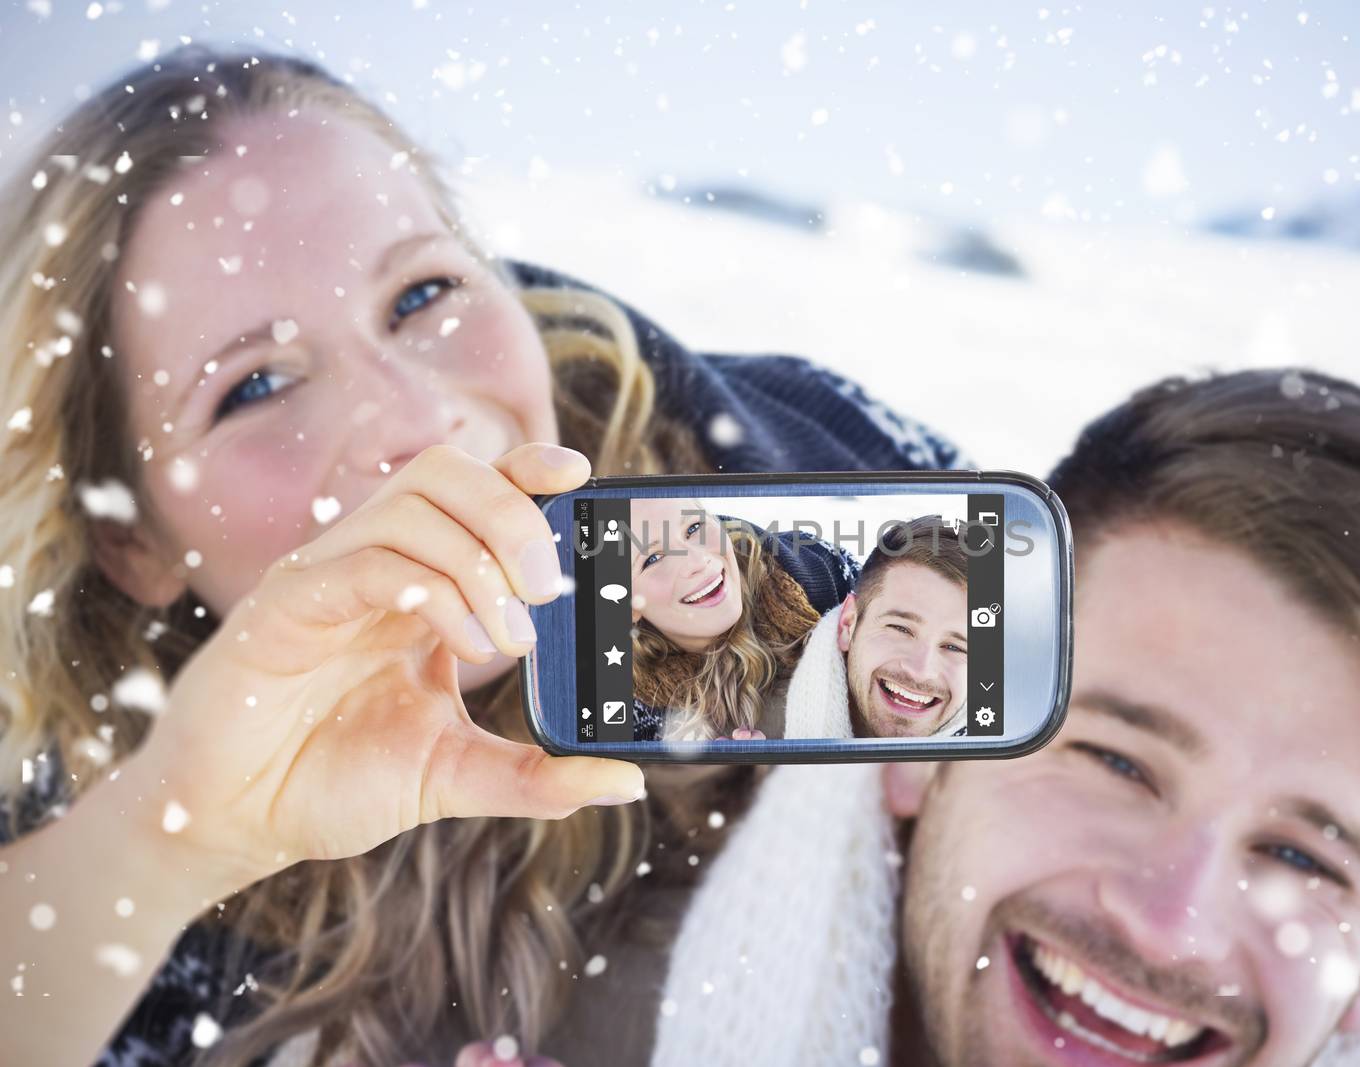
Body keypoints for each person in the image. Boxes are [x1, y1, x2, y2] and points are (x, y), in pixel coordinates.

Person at [0, 46, 971, 1067]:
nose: (418, 418)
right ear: (132, 539)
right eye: (253, 387)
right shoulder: (75, 854)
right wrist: (169, 832)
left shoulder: (827, 477)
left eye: (421, 293)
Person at [645, 370, 1360, 1067]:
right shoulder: (569, 990)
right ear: (922, 757)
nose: (1167, 926)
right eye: (1116, 761)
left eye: (1307, 856)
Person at [625, 498, 857, 741]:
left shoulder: (823, 571)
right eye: (652, 559)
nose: (697, 561)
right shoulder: (622, 712)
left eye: (694, 528)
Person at [781, 515, 971, 739]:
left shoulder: (1005, 753)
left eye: (955, 647)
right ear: (848, 624)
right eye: (901, 629)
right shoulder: (758, 731)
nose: (920, 671)